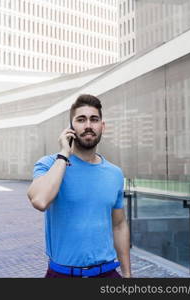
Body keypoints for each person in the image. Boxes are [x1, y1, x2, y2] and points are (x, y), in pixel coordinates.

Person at [27, 94, 131, 278]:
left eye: (94, 119)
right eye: (81, 120)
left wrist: (128, 274)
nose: (88, 125)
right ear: (71, 128)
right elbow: (40, 200)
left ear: (102, 126)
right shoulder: (49, 164)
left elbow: (119, 225)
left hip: (107, 273)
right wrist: (64, 154)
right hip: (62, 275)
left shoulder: (114, 173)